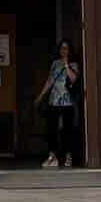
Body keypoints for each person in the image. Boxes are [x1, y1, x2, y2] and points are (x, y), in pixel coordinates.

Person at [34, 38, 79, 168]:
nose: (63, 51)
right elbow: (50, 81)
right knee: (51, 130)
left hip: (68, 102)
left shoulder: (74, 64)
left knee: (67, 131)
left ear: (70, 50)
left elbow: (74, 78)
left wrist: (66, 65)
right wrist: (40, 96)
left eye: (66, 48)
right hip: (54, 101)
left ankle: (68, 156)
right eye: (61, 48)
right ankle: (53, 156)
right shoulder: (54, 64)